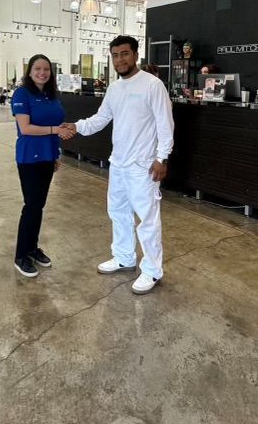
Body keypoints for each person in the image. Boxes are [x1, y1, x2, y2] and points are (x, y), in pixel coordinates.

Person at [59, 35, 174, 295]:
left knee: (147, 219)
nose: (120, 59)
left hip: (143, 166)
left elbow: (166, 126)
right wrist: (76, 126)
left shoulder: (152, 85)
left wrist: (162, 158)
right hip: (119, 163)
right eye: (115, 55)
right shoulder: (114, 89)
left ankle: (152, 270)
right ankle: (124, 257)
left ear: (135, 55)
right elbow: (100, 119)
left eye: (124, 54)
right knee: (118, 213)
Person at [11, 55, 65, 278]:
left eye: (46, 69)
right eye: (37, 68)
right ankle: (21, 255)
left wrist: (56, 153)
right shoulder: (22, 93)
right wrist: (55, 131)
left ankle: (32, 248)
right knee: (31, 205)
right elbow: (25, 128)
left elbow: (59, 125)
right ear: (30, 71)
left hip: (47, 156)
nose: (42, 72)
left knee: (39, 205)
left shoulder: (51, 95)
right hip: (29, 157)